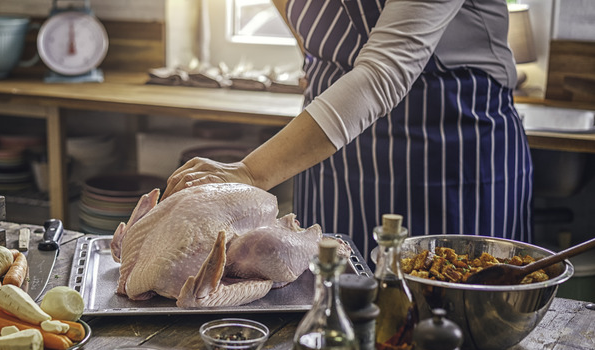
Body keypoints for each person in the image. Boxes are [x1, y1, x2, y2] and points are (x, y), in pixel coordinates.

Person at [163, 0, 533, 259]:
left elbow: (384, 70)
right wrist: (317, 51)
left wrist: (249, 172)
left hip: (448, 141)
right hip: (331, 151)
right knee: (329, 307)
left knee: (449, 323)